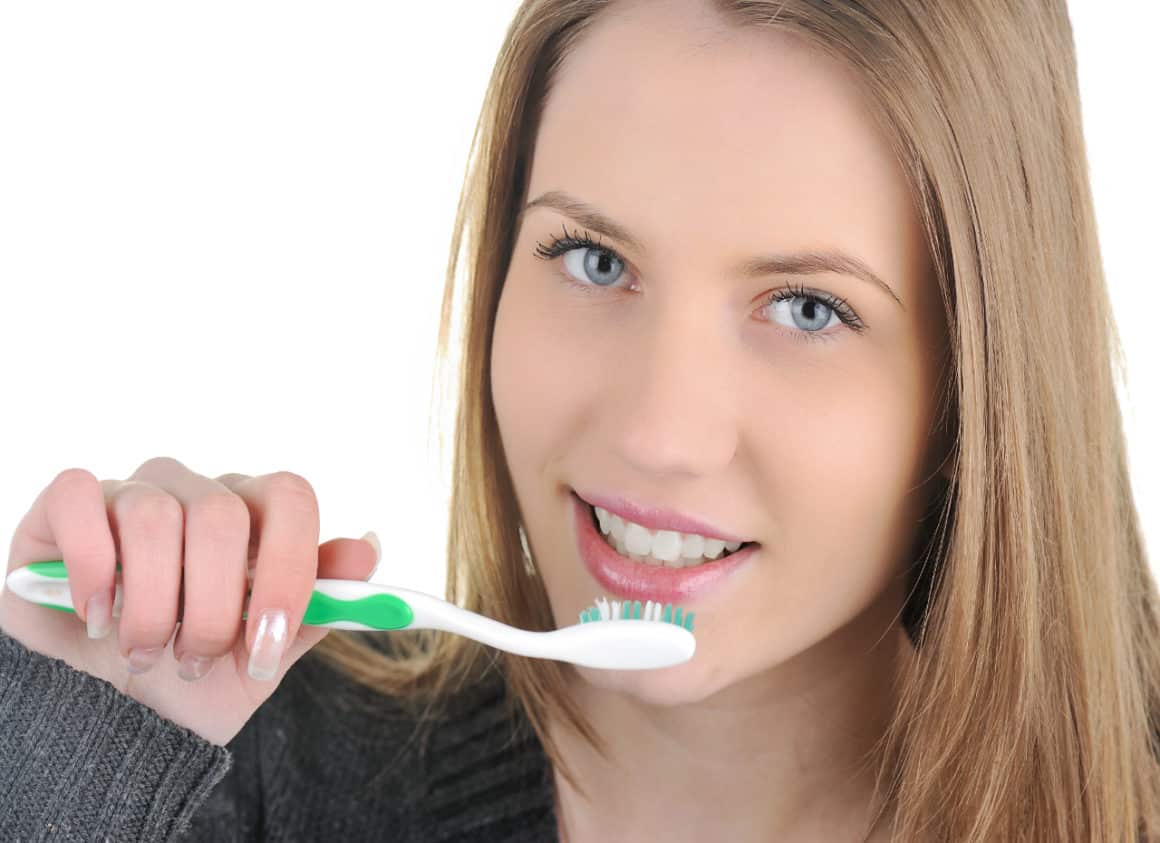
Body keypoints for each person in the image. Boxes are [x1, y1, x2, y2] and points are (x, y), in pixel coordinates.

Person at [2, 0, 1157, 840]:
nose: (659, 431)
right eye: (592, 258)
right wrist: (75, 764)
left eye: (807, 308)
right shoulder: (245, 777)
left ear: (977, 382)